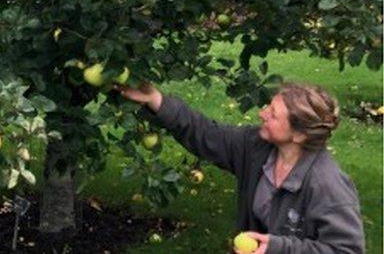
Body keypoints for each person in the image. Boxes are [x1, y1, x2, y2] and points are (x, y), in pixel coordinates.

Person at [118, 81, 365, 253]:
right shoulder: (257, 148)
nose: (262, 113)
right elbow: (205, 133)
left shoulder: (327, 184)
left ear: (299, 135)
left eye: (273, 114)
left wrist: (278, 248)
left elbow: (346, 250)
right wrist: (156, 100)